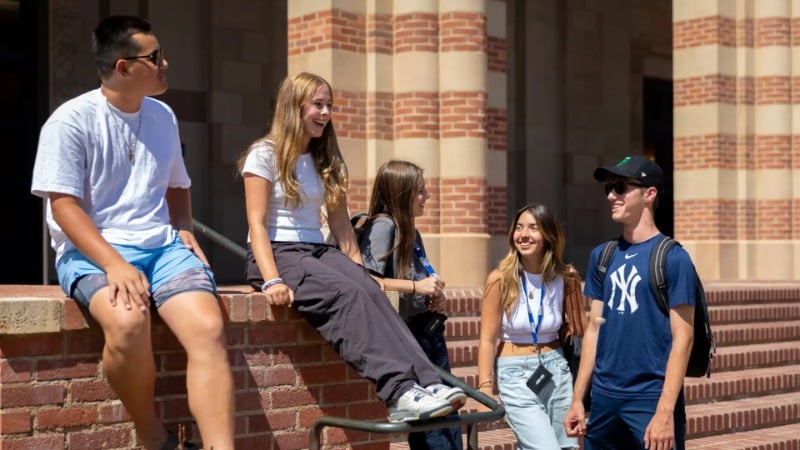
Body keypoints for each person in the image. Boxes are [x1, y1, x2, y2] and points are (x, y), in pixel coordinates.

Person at [30, 16, 234, 450]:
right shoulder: (69, 122)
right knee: (127, 324)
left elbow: (178, 184)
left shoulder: (163, 115)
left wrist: (182, 227)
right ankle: (153, 436)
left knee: (208, 328)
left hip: (161, 247)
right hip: (93, 250)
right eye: (155, 57)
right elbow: (64, 208)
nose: (165, 63)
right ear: (123, 67)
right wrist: (114, 263)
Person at [239, 72, 467, 423]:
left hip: (317, 250)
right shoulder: (264, 155)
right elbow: (256, 223)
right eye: (317, 105)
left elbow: (343, 227)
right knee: (350, 294)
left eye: (328, 105)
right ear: (294, 107)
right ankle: (399, 392)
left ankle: (428, 383)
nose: (326, 112)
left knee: (370, 290)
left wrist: (363, 273)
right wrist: (271, 280)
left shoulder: (326, 159)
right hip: (279, 252)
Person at [563, 155, 696, 450]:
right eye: (609, 188)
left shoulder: (674, 259)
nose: (611, 195)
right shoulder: (603, 256)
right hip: (604, 399)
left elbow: (683, 340)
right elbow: (593, 330)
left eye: (621, 187)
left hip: (650, 399)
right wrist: (577, 399)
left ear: (650, 194)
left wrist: (664, 414)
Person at [358, 159, 463, 449]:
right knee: (434, 429)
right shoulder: (383, 226)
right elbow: (368, 281)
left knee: (448, 418)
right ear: (401, 194)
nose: (427, 197)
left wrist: (431, 293)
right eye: (420, 191)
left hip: (429, 333)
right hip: (408, 338)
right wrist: (417, 286)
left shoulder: (412, 231)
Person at [477, 203, 585, 450]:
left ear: (548, 235)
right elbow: (486, 339)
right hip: (514, 373)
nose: (523, 234)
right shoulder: (499, 278)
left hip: (557, 369)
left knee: (568, 447)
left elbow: (582, 334)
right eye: (519, 228)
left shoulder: (566, 277)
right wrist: (484, 389)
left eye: (533, 228)